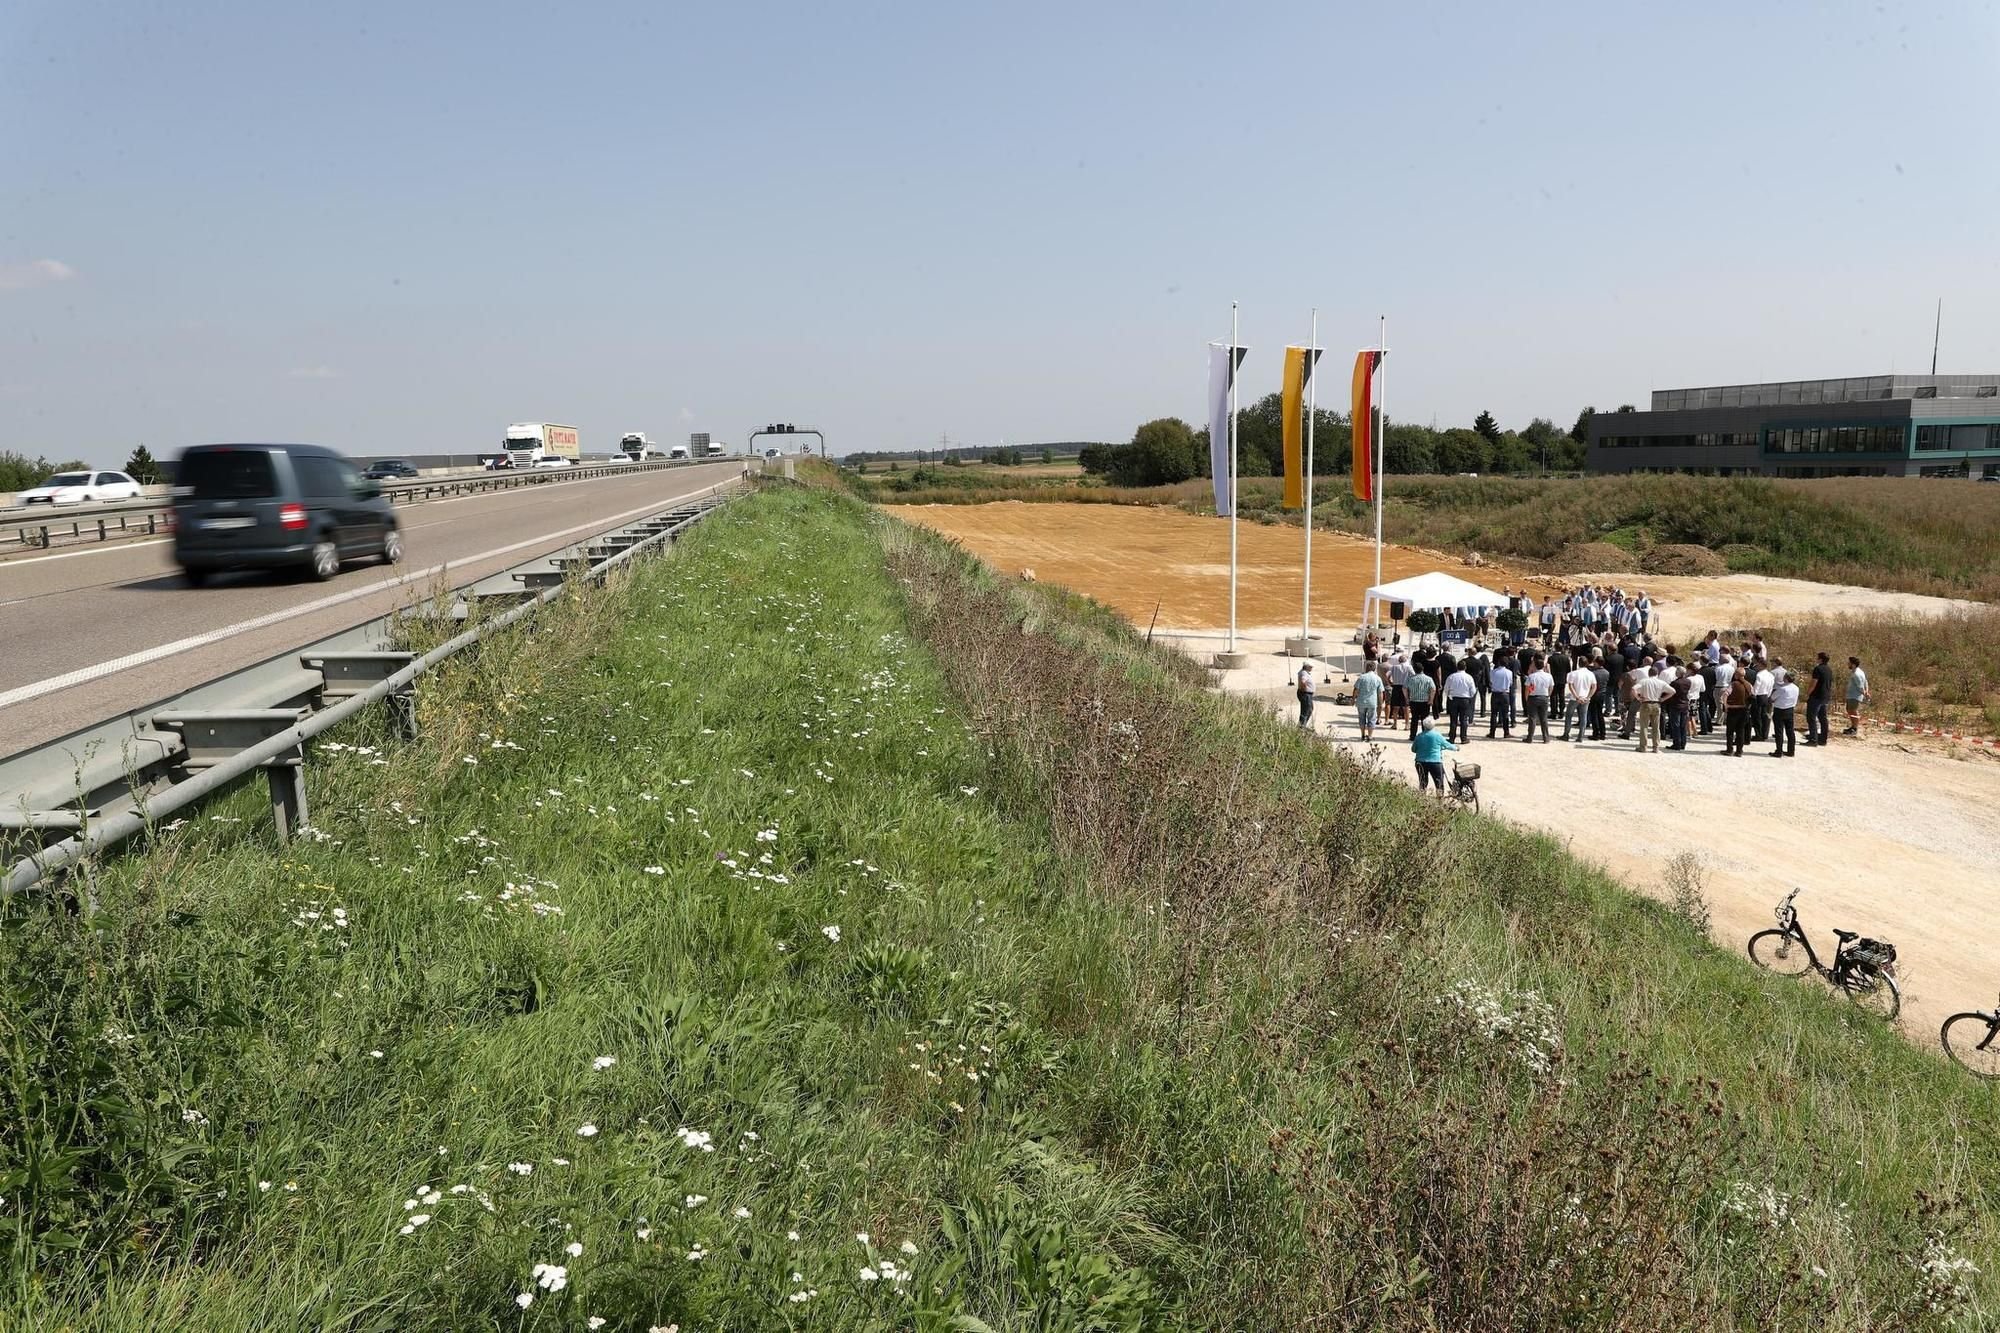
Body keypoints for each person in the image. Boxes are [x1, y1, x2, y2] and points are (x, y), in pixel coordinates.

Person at [1410, 717, 1459, 797]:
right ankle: (1439, 800)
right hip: (1435, 762)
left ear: (1424, 726)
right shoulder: (1437, 735)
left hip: (1421, 762)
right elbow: (1447, 745)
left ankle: (1422, 798)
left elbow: (1413, 749)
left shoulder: (1419, 736)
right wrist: (1456, 748)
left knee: (1423, 782)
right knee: (1439, 782)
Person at [1632, 665, 1673, 753]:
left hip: (1646, 703)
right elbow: (1673, 691)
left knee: (1644, 727)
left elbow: (1633, 688)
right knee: (1656, 727)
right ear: (1657, 673)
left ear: (1648, 673)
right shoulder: (1661, 682)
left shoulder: (1644, 681)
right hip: (1656, 704)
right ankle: (1656, 747)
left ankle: (1643, 747)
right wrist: (1663, 699)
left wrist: (1638, 698)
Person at [1443, 661, 1477, 744]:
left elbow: (1446, 688)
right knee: (1464, 720)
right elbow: (1473, 691)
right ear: (1465, 667)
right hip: (1465, 699)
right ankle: (1463, 738)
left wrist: (1449, 696)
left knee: (1453, 720)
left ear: (1457, 667)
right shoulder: (1469, 677)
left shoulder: (1451, 677)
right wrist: (1469, 697)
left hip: (1454, 699)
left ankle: (1452, 738)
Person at [1523, 656, 1554, 743]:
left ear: (1535, 666)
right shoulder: (1549, 676)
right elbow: (1551, 687)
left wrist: (1527, 698)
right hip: (1544, 697)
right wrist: (1548, 695)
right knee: (1544, 718)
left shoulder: (1531, 676)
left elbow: (1527, 689)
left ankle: (1530, 737)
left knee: (1532, 718)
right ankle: (1546, 738)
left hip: (1533, 697)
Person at [1770, 667, 1799, 757]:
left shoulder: (1782, 689)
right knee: (1790, 731)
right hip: (1790, 710)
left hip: (1780, 710)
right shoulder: (1796, 688)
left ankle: (1779, 751)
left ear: (1786, 678)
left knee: (1779, 731)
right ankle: (1791, 751)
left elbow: (1772, 698)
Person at [1724, 667, 1753, 757]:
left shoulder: (1733, 684)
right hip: (1744, 710)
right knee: (1741, 731)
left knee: (1730, 731)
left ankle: (1729, 750)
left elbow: (1726, 694)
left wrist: (1726, 705)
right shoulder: (1749, 685)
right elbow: (1752, 697)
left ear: (1736, 675)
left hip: (1733, 709)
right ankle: (1739, 751)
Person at [1806, 651, 1833, 746]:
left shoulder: (1818, 669)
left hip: (1816, 696)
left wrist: (1808, 693)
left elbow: (1814, 682)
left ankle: (1813, 739)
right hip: (1825, 696)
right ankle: (1823, 739)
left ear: (1820, 659)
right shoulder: (1829, 670)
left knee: (1811, 717)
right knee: (1823, 718)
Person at [1352, 662, 1383, 742]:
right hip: (1372, 702)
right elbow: (1380, 692)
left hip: (1361, 701)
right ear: (1374, 668)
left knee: (1361, 718)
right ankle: (1370, 735)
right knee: (1372, 719)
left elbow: (1356, 689)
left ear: (1366, 668)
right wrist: (1381, 703)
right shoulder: (1377, 678)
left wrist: (1353, 699)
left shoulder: (1361, 677)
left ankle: (1362, 734)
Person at [1486, 653, 1515, 738]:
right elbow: (1510, 683)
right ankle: (1506, 732)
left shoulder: (1493, 672)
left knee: (1494, 713)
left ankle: (1492, 732)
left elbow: (1490, 682)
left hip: (1495, 693)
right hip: (1505, 693)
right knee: (1505, 714)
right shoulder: (1509, 673)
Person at [1403, 661, 1437, 733]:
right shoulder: (1428, 679)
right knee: (1424, 720)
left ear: (1414, 670)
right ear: (1423, 669)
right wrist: (1431, 699)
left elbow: (1404, 688)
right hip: (1425, 701)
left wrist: (1407, 698)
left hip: (1414, 701)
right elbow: (1433, 689)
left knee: (1414, 719)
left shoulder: (1410, 679)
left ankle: (1412, 735)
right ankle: (1424, 734)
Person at [1749, 660, 1775, 743]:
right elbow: (1771, 687)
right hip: (1766, 696)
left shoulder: (1759, 675)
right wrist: (1768, 695)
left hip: (1758, 696)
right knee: (1764, 716)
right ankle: (1764, 733)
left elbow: (1756, 687)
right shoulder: (1771, 675)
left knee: (1757, 716)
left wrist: (1753, 695)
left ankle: (1758, 734)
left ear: (1762, 665)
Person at [1845, 656, 1870, 735]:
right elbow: (1866, 682)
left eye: (1849, 663)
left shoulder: (1856, 674)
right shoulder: (1860, 671)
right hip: (1851, 695)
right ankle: (1853, 727)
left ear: (1853, 664)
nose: (1847, 664)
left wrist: (1865, 693)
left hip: (1854, 696)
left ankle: (1854, 728)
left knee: (1853, 711)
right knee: (1849, 710)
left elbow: (1860, 686)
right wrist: (1867, 691)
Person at [1386, 652, 1411, 724]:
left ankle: (1395, 723)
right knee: (1406, 707)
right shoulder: (1408, 667)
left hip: (1396, 687)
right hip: (1405, 687)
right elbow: (1413, 675)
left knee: (1395, 707)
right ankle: (1407, 724)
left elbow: (1387, 675)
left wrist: (1389, 682)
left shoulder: (1394, 667)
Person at [1295, 662, 1316, 729]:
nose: (1311, 668)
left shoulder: (1305, 672)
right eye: (1310, 667)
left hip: (1307, 694)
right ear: (1306, 666)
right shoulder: (1304, 673)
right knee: (1306, 710)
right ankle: (1301, 726)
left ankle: (1303, 725)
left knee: (1309, 709)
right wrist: (1304, 689)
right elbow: (1302, 681)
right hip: (1306, 694)